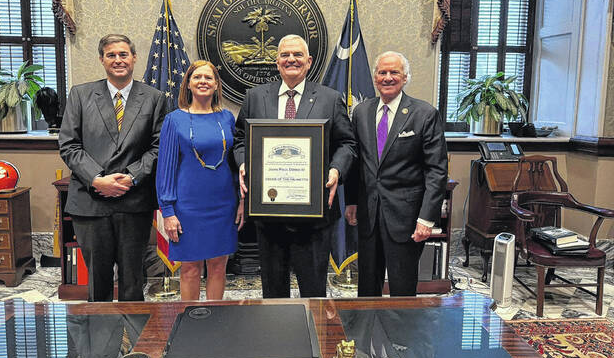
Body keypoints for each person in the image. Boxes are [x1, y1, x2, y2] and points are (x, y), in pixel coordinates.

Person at [233, 34, 357, 298]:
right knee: (273, 291)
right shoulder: (255, 97)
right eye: (285, 55)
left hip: (313, 216)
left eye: (298, 55)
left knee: (312, 291)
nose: (291, 59)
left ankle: (313, 338)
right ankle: (277, 339)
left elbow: (347, 143)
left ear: (309, 61)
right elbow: (239, 140)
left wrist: (335, 170)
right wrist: (244, 164)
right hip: (269, 214)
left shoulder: (330, 98)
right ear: (277, 62)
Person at [59, 34, 168, 301]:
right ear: (102, 60)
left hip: (133, 201)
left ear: (133, 58)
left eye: (123, 54)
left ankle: (135, 340)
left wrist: (131, 177)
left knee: (133, 280)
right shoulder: (81, 95)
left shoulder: (154, 98)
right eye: (111, 55)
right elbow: (69, 145)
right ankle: (101, 340)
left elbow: (159, 147)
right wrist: (97, 179)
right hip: (91, 202)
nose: (118, 60)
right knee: (98, 281)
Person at [345, 51, 447, 297]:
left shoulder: (424, 114)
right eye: (382, 72)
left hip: (405, 218)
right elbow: (357, 162)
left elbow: (436, 170)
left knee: (402, 290)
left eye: (394, 73)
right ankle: (366, 334)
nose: (387, 78)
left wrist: (426, 218)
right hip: (369, 215)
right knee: (367, 289)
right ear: (374, 77)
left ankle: (401, 336)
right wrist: (351, 201)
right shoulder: (361, 112)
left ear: (405, 78)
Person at [156, 60, 244, 300]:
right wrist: (168, 211)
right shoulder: (174, 120)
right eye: (197, 77)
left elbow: (235, 165)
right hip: (187, 208)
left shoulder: (226, 118)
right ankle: (190, 323)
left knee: (218, 267)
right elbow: (165, 169)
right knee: (191, 269)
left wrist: (242, 202)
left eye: (208, 78)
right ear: (188, 84)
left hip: (223, 205)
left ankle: (214, 322)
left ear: (216, 85)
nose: (203, 82)